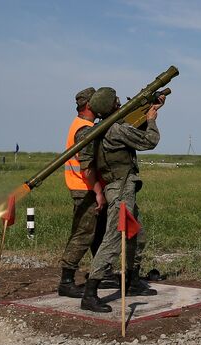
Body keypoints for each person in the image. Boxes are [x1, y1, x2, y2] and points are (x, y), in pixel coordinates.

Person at [79, 87, 165, 312]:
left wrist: (149, 110)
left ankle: (132, 281)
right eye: (116, 100)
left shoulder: (101, 129)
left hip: (119, 188)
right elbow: (149, 141)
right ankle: (90, 292)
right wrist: (152, 120)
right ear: (111, 106)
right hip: (121, 190)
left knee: (137, 235)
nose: (120, 101)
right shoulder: (116, 129)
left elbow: (133, 127)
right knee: (113, 239)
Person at [56, 88, 115, 309]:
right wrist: (98, 192)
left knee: (97, 233)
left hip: (84, 187)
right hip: (85, 188)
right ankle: (67, 280)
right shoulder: (84, 130)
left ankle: (102, 271)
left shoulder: (81, 125)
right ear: (90, 105)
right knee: (84, 233)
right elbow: (87, 168)